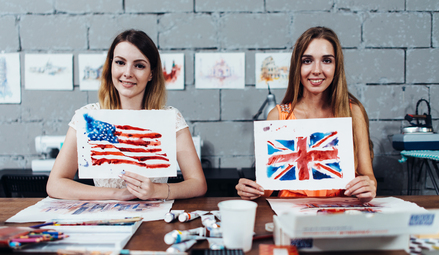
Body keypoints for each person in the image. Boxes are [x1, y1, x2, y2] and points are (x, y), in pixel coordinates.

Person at [47, 29, 207, 201]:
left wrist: (157, 191)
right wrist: (117, 194)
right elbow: (55, 184)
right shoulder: (87, 117)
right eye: (120, 62)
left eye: (139, 65)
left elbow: (198, 183)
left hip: (156, 219)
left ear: (151, 73)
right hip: (107, 218)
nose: (128, 72)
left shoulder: (170, 118)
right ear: (111, 67)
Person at [236, 26, 377, 202]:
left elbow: (368, 176)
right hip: (289, 212)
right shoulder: (279, 116)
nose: (316, 70)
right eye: (307, 60)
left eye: (326, 61)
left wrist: (369, 185)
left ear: (336, 66)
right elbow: (268, 186)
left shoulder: (352, 111)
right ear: (297, 66)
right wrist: (251, 190)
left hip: (340, 212)